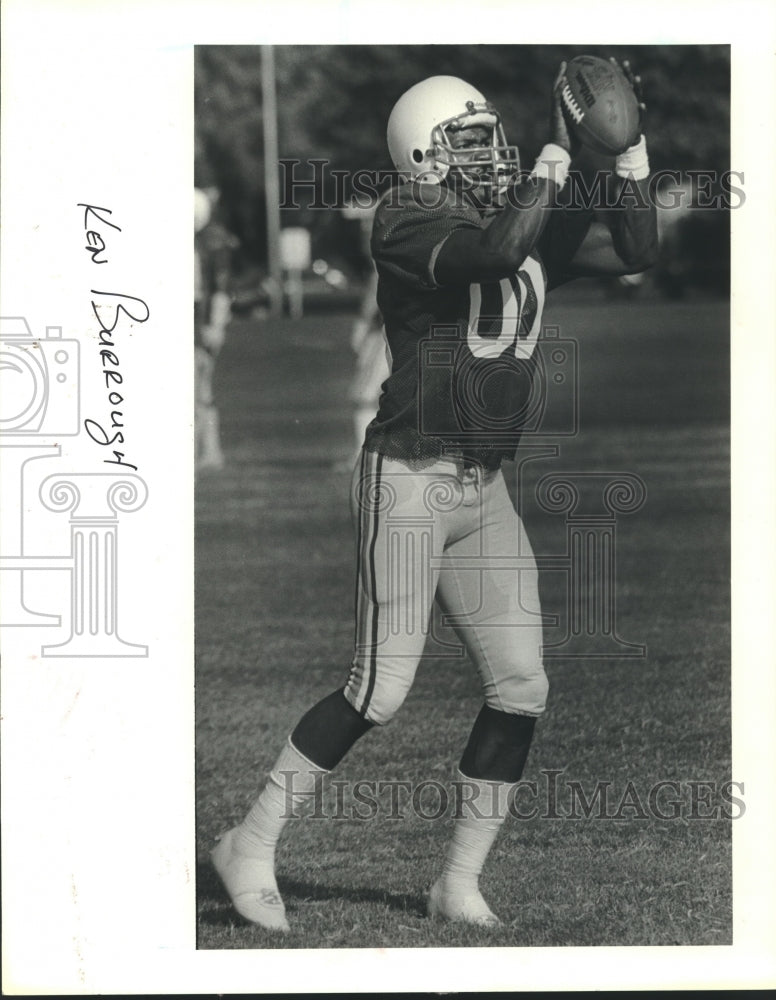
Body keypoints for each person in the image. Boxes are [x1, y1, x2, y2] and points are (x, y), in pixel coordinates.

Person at [212, 62, 658, 930]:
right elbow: (493, 252)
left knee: (522, 684)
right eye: (469, 141)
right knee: (378, 688)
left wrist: (630, 151)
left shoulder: (515, 214)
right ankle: (250, 841)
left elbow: (638, 254)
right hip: (410, 475)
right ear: (422, 156)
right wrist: (561, 160)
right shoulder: (408, 217)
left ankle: (455, 883)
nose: (491, 153)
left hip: (484, 487)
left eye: (494, 136)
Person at [194, 186, 239, 471]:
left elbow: (218, 289)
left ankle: (206, 452)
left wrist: (215, 325)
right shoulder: (203, 241)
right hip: (199, 322)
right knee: (201, 392)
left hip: (199, 325)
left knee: (197, 390)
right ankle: (209, 452)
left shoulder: (210, 243)